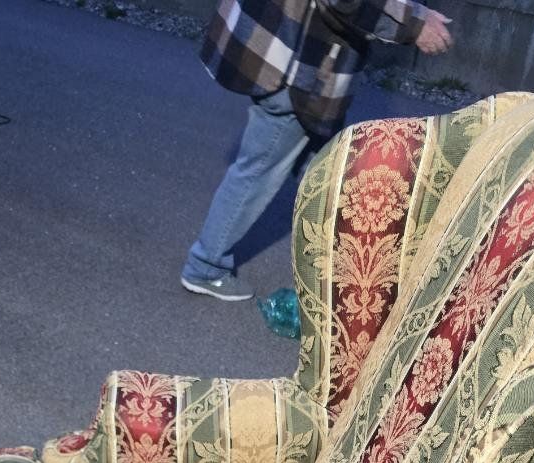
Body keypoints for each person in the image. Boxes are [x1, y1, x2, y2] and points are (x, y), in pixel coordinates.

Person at [181, 0, 453, 300]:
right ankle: (205, 266)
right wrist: (415, 24)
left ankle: (343, 280)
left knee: (325, 171)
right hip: (299, 70)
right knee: (259, 170)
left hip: (288, 51)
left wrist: (414, 13)